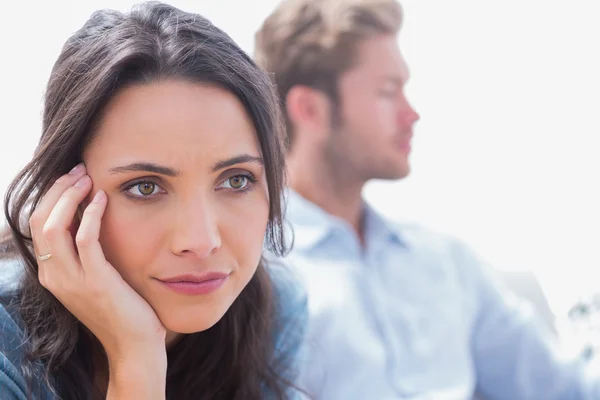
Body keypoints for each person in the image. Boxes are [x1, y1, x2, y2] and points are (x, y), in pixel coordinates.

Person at [255, 0, 600, 398]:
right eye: (388, 92)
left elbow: (561, 389)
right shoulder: (253, 275)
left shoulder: (447, 263)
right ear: (310, 109)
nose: (411, 114)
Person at [0, 2, 307, 399]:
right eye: (145, 187)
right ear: (64, 196)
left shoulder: (273, 309)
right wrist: (136, 361)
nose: (201, 240)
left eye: (236, 180)